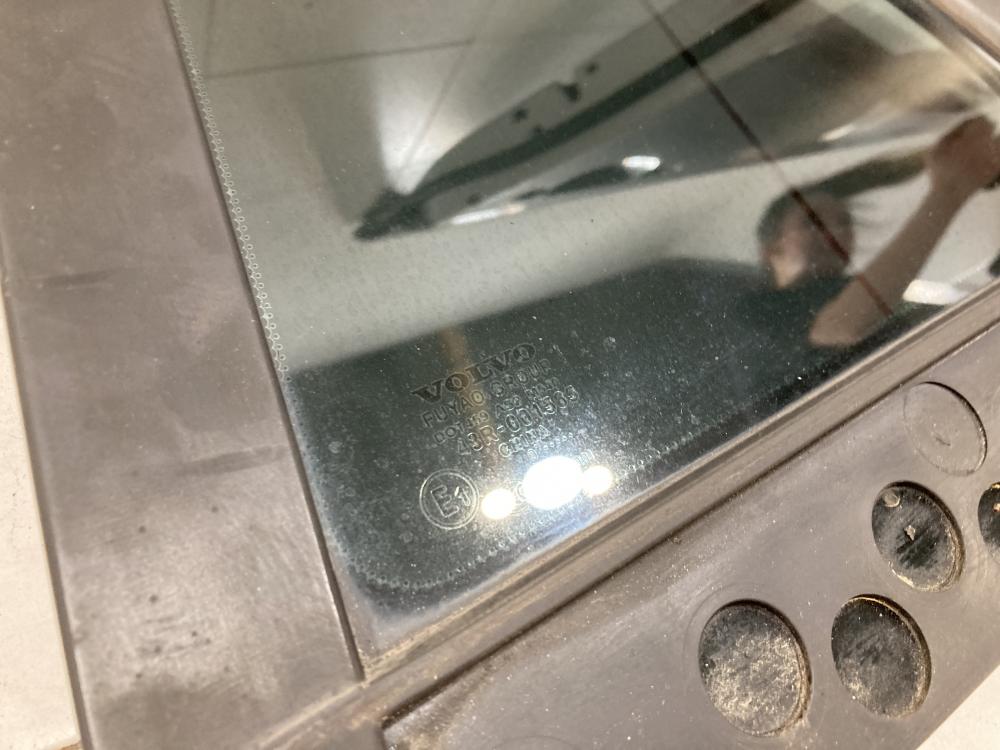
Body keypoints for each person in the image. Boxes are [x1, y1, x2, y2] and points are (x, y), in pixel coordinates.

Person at [757, 116, 1000, 349]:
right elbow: (842, 328)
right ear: (772, 249)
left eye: (844, 222)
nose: (835, 231)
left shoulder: (878, 293)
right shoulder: (762, 315)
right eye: (813, 222)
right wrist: (950, 191)